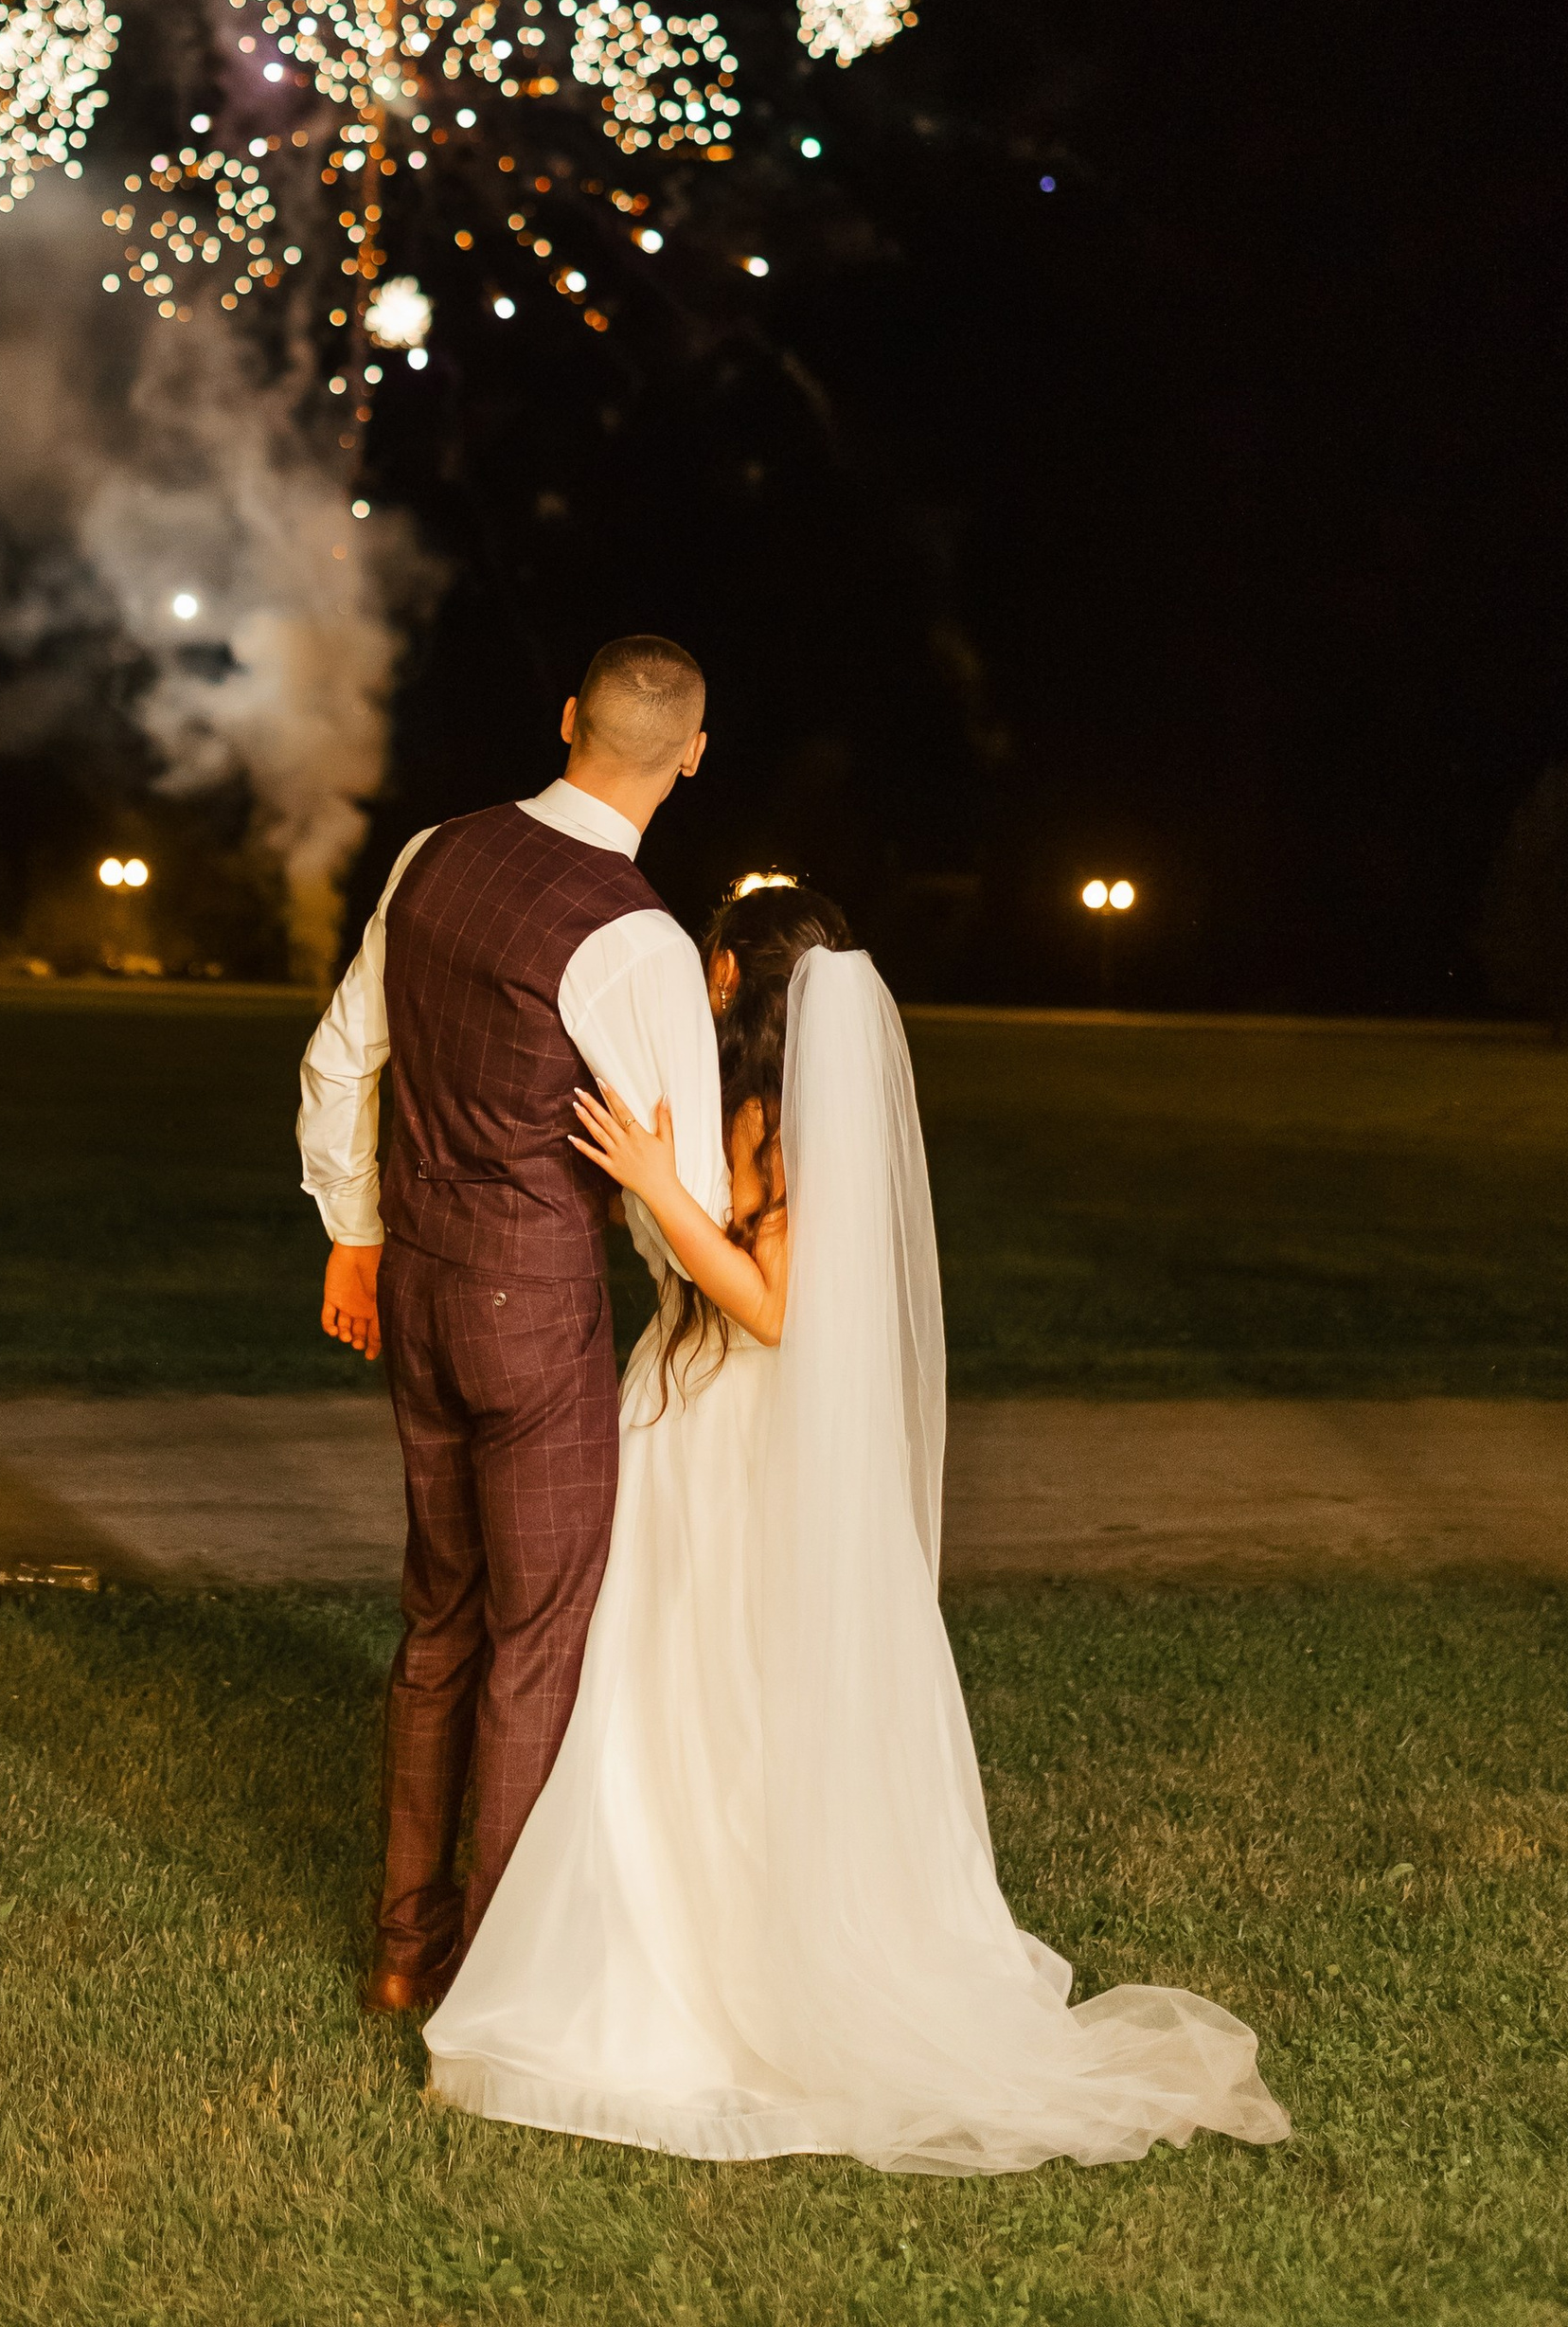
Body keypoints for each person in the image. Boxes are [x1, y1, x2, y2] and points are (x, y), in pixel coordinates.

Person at [423, 880, 1291, 2174]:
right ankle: (642, 1926)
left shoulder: (784, 1118)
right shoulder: (731, 1097)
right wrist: (638, 1187)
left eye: (710, 955)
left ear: (730, 976)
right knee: (665, 1686)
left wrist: (657, 1186)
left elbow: (775, 1311)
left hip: (733, 1431)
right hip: (681, 1417)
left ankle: (719, 1959)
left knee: (721, 1686)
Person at [295, 635, 725, 2016]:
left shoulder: (436, 851)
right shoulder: (637, 937)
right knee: (537, 1643)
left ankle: (403, 1950)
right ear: (692, 756)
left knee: (441, 1623)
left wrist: (354, 1233)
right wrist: (697, 1318)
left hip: (416, 1280)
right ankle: (499, 1984)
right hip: (531, 1307)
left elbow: (342, 1056)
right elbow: (679, 1188)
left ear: (568, 717)